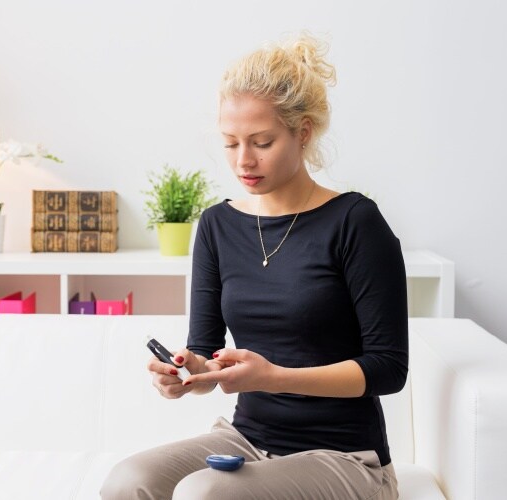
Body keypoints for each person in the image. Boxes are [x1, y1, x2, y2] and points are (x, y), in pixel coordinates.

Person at [101, 33, 408, 500]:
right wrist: (186, 375)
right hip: (247, 440)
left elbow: (389, 368)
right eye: (230, 143)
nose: (244, 160)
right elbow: (204, 350)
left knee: (204, 493)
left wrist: (274, 376)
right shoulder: (218, 225)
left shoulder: (354, 221)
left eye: (262, 142)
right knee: (127, 482)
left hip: (347, 457)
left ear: (303, 132)